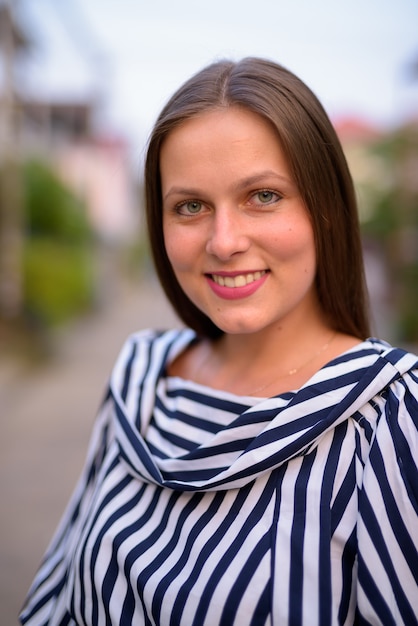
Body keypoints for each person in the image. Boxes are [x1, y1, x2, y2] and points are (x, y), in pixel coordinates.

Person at [20, 57, 417, 626]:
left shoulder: (391, 418)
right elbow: (58, 592)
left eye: (263, 196)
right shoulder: (142, 377)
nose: (224, 241)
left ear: (326, 208)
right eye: (190, 206)